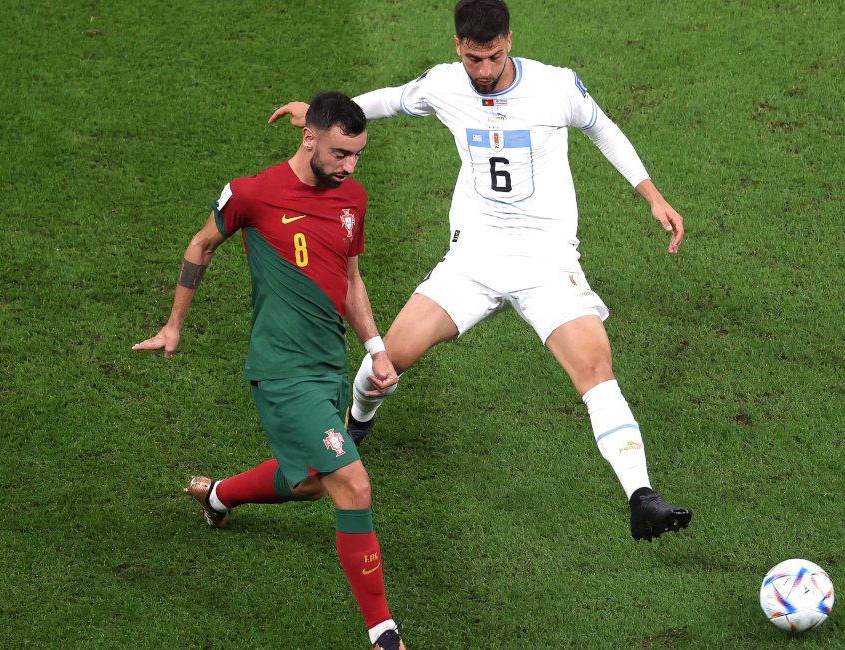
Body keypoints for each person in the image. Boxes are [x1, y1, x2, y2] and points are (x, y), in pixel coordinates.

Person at [270, 0, 690, 542]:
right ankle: (357, 423)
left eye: (492, 57)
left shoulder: (555, 86)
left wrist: (652, 196)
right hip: (472, 260)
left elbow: (603, 129)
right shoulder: (446, 85)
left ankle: (641, 495)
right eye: (473, 59)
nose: (484, 71)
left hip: (545, 259)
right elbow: (392, 101)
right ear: (458, 49)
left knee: (595, 366)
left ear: (510, 41)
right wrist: (325, 115)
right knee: (387, 360)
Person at [133, 92, 406, 650]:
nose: (349, 166)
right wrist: (173, 324)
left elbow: (351, 281)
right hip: (281, 371)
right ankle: (384, 635)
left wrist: (376, 348)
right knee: (353, 484)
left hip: (329, 365)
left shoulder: (352, 198)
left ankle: (217, 496)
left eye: (357, 155)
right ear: (310, 139)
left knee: (308, 482)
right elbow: (202, 244)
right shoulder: (253, 193)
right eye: (339, 153)